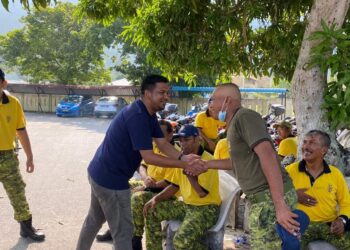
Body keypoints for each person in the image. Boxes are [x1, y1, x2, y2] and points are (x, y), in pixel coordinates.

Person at [76, 75, 203, 250]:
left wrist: (183, 158)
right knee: (124, 233)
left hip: (99, 172)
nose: (166, 96)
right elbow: (149, 157)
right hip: (111, 181)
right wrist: (184, 165)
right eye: (162, 92)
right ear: (147, 93)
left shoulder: (148, 114)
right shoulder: (138, 117)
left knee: (94, 219)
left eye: (167, 92)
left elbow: (163, 143)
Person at [203, 83, 300, 249]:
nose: (209, 104)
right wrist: (206, 164)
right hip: (263, 200)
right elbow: (239, 162)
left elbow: (268, 154)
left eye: (212, 99)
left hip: (269, 199)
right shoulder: (234, 125)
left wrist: (280, 205)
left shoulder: (244, 117)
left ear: (227, 101)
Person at [95, 119, 179, 249]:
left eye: (161, 134)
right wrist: (145, 178)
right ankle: (115, 229)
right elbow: (142, 165)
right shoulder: (156, 146)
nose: (157, 138)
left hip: (165, 192)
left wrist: (147, 187)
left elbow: (170, 183)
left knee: (137, 198)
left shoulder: (175, 153)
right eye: (155, 134)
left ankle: (136, 238)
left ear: (170, 135)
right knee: (120, 187)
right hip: (150, 184)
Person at [143, 124, 221, 250]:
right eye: (181, 140)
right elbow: (174, 185)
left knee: (180, 242)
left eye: (187, 140)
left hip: (206, 209)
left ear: (197, 139)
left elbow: (201, 193)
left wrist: (190, 175)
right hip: (186, 205)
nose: (183, 144)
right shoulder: (182, 159)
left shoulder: (207, 160)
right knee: (152, 211)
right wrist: (156, 199)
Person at [0, 69, 45, 241]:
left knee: (18, 193)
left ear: (4, 83)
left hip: (8, 158)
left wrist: (30, 157)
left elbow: (21, 131)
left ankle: (26, 229)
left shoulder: (13, 103)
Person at [286, 130, 350, 249]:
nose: (306, 146)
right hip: (300, 226)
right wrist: (293, 195)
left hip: (329, 226)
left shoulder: (335, 174)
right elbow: (275, 195)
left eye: (312, 143)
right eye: (304, 142)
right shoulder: (289, 171)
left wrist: (342, 221)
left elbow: (346, 204)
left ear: (323, 150)